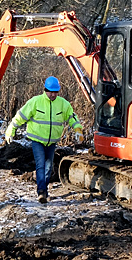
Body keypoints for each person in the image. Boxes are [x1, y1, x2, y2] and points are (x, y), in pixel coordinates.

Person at [5, 76, 83, 204]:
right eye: (50, 92)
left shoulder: (63, 104)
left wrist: (78, 129)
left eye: (55, 92)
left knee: (48, 167)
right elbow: (21, 116)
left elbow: (71, 117)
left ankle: (44, 190)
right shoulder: (35, 102)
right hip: (37, 140)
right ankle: (41, 192)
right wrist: (11, 129)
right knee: (40, 165)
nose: (53, 94)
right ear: (45, 90)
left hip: (52, 142)